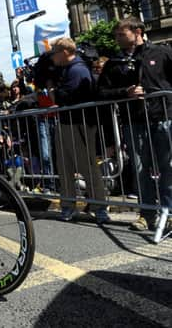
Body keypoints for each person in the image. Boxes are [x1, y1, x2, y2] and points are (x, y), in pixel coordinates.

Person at [98, 17, 172, 231]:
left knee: (168, 167)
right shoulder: (114, 63)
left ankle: (168, 211)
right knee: (141, 169)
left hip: (163, 117)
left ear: (137, 31)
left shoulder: (162, 52)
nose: (117, 39)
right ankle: (146, 214)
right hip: (135, 121)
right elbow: (101, 92)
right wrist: (125, 93)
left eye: (121, 34)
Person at [49, 37, 110, 224]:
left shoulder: (77, 70)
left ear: (65, 52)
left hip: (78, 123)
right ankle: (69, 206)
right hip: (68, 123)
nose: (52, 57)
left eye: (55, 52)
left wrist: (52, 89)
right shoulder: (70, 69)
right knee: (65, 167)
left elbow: (63, 97)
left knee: (87, 166)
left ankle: (99, 208)